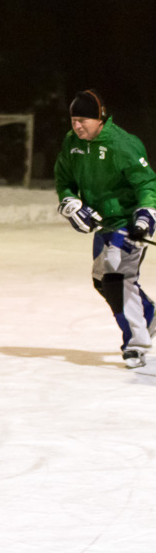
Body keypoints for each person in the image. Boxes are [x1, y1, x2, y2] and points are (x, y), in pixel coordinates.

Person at [54, 89, 156, 368]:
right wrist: (71, 203)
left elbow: (147, 184)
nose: (77, 126)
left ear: (99, 118)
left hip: (127, 221)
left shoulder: (123, 144)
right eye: (73, 119)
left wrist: (146, 215)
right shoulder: (72, 143)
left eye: (83, 120)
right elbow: (63, 179)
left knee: (115, 277)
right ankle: (147, 314)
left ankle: (135, 344)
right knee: (102, 280)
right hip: (103, 224)